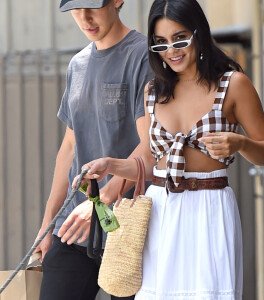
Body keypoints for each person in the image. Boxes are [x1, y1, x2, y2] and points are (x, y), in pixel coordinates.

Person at [73, 0, 264, 299]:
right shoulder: (153, 91)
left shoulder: (233, 84)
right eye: (160, 43)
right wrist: (110, 165)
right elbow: (153, 161)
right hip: (160, 209)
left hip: (210, 207)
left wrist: (240, 143)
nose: (172, 50)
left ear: (199, 33)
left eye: (180, 38)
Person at [35, 0, 153, 299]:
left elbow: (150, 143)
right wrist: (49, 224)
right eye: (75, 9)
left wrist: (101, 203)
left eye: (92, 6)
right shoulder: (78, 64)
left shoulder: (143, 56)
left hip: (128, 226)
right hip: (75, 223)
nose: (84, 18)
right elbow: (70, 147)